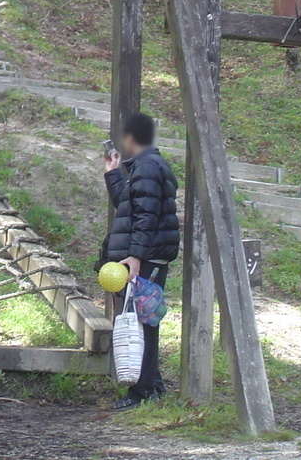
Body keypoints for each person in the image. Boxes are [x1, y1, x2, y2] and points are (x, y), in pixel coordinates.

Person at [100, 112, 180, 410]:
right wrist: (113, 172)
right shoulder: (147, 166)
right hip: (149, 255)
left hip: (145, 258)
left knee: (141, 322)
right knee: (146, 320)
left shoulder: (147, 167)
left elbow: (146, 217)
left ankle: (141, 391)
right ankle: (152, 385)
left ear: (131, 137)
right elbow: (129, 205)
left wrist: (135, 256)